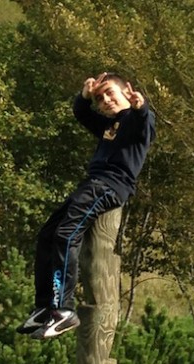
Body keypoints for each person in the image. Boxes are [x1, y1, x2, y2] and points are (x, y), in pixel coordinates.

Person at [16, 72, 156, 339]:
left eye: (110, 94)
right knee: (47, 235)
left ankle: (63, 310)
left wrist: (141, 107)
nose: (105, 101)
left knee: (67, 234)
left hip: (110, 186)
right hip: (92, 184)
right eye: (100, 98)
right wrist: (85, 96)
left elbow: (146, 125)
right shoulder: (109, 126)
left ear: (127, 91)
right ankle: (45, 307)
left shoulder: (137, 121)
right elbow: (82, 113)